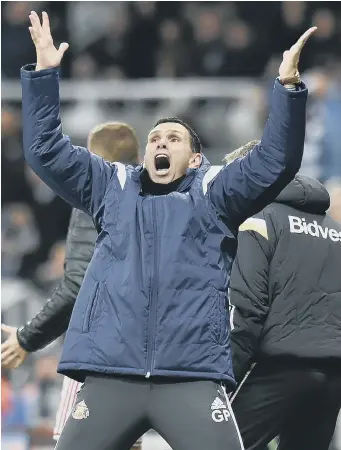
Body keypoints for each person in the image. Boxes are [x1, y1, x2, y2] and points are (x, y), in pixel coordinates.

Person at [20, 10, 315, 450]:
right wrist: (44, 74)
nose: (161, 143)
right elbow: (45, 149)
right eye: (155, 139)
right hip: (110, 373)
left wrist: (288, 90)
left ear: (196, 159)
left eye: (174, 139)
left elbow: (275, 160)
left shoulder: (216, 193)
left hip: (190, 376)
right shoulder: (111, 187)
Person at [1, 122, 142, 449]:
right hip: (145, 350)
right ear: (137, 155)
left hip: (97, 352)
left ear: (91, 159)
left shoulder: (95, 198)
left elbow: (77, 286)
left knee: (73, 442)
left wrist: (26, 339)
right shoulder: (161, 201)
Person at [227, 142, 341, 450]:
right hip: (332, 377)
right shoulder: (336, 231)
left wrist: (226, 376)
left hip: (277, 371)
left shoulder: (257, 220)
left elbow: (246, 309)